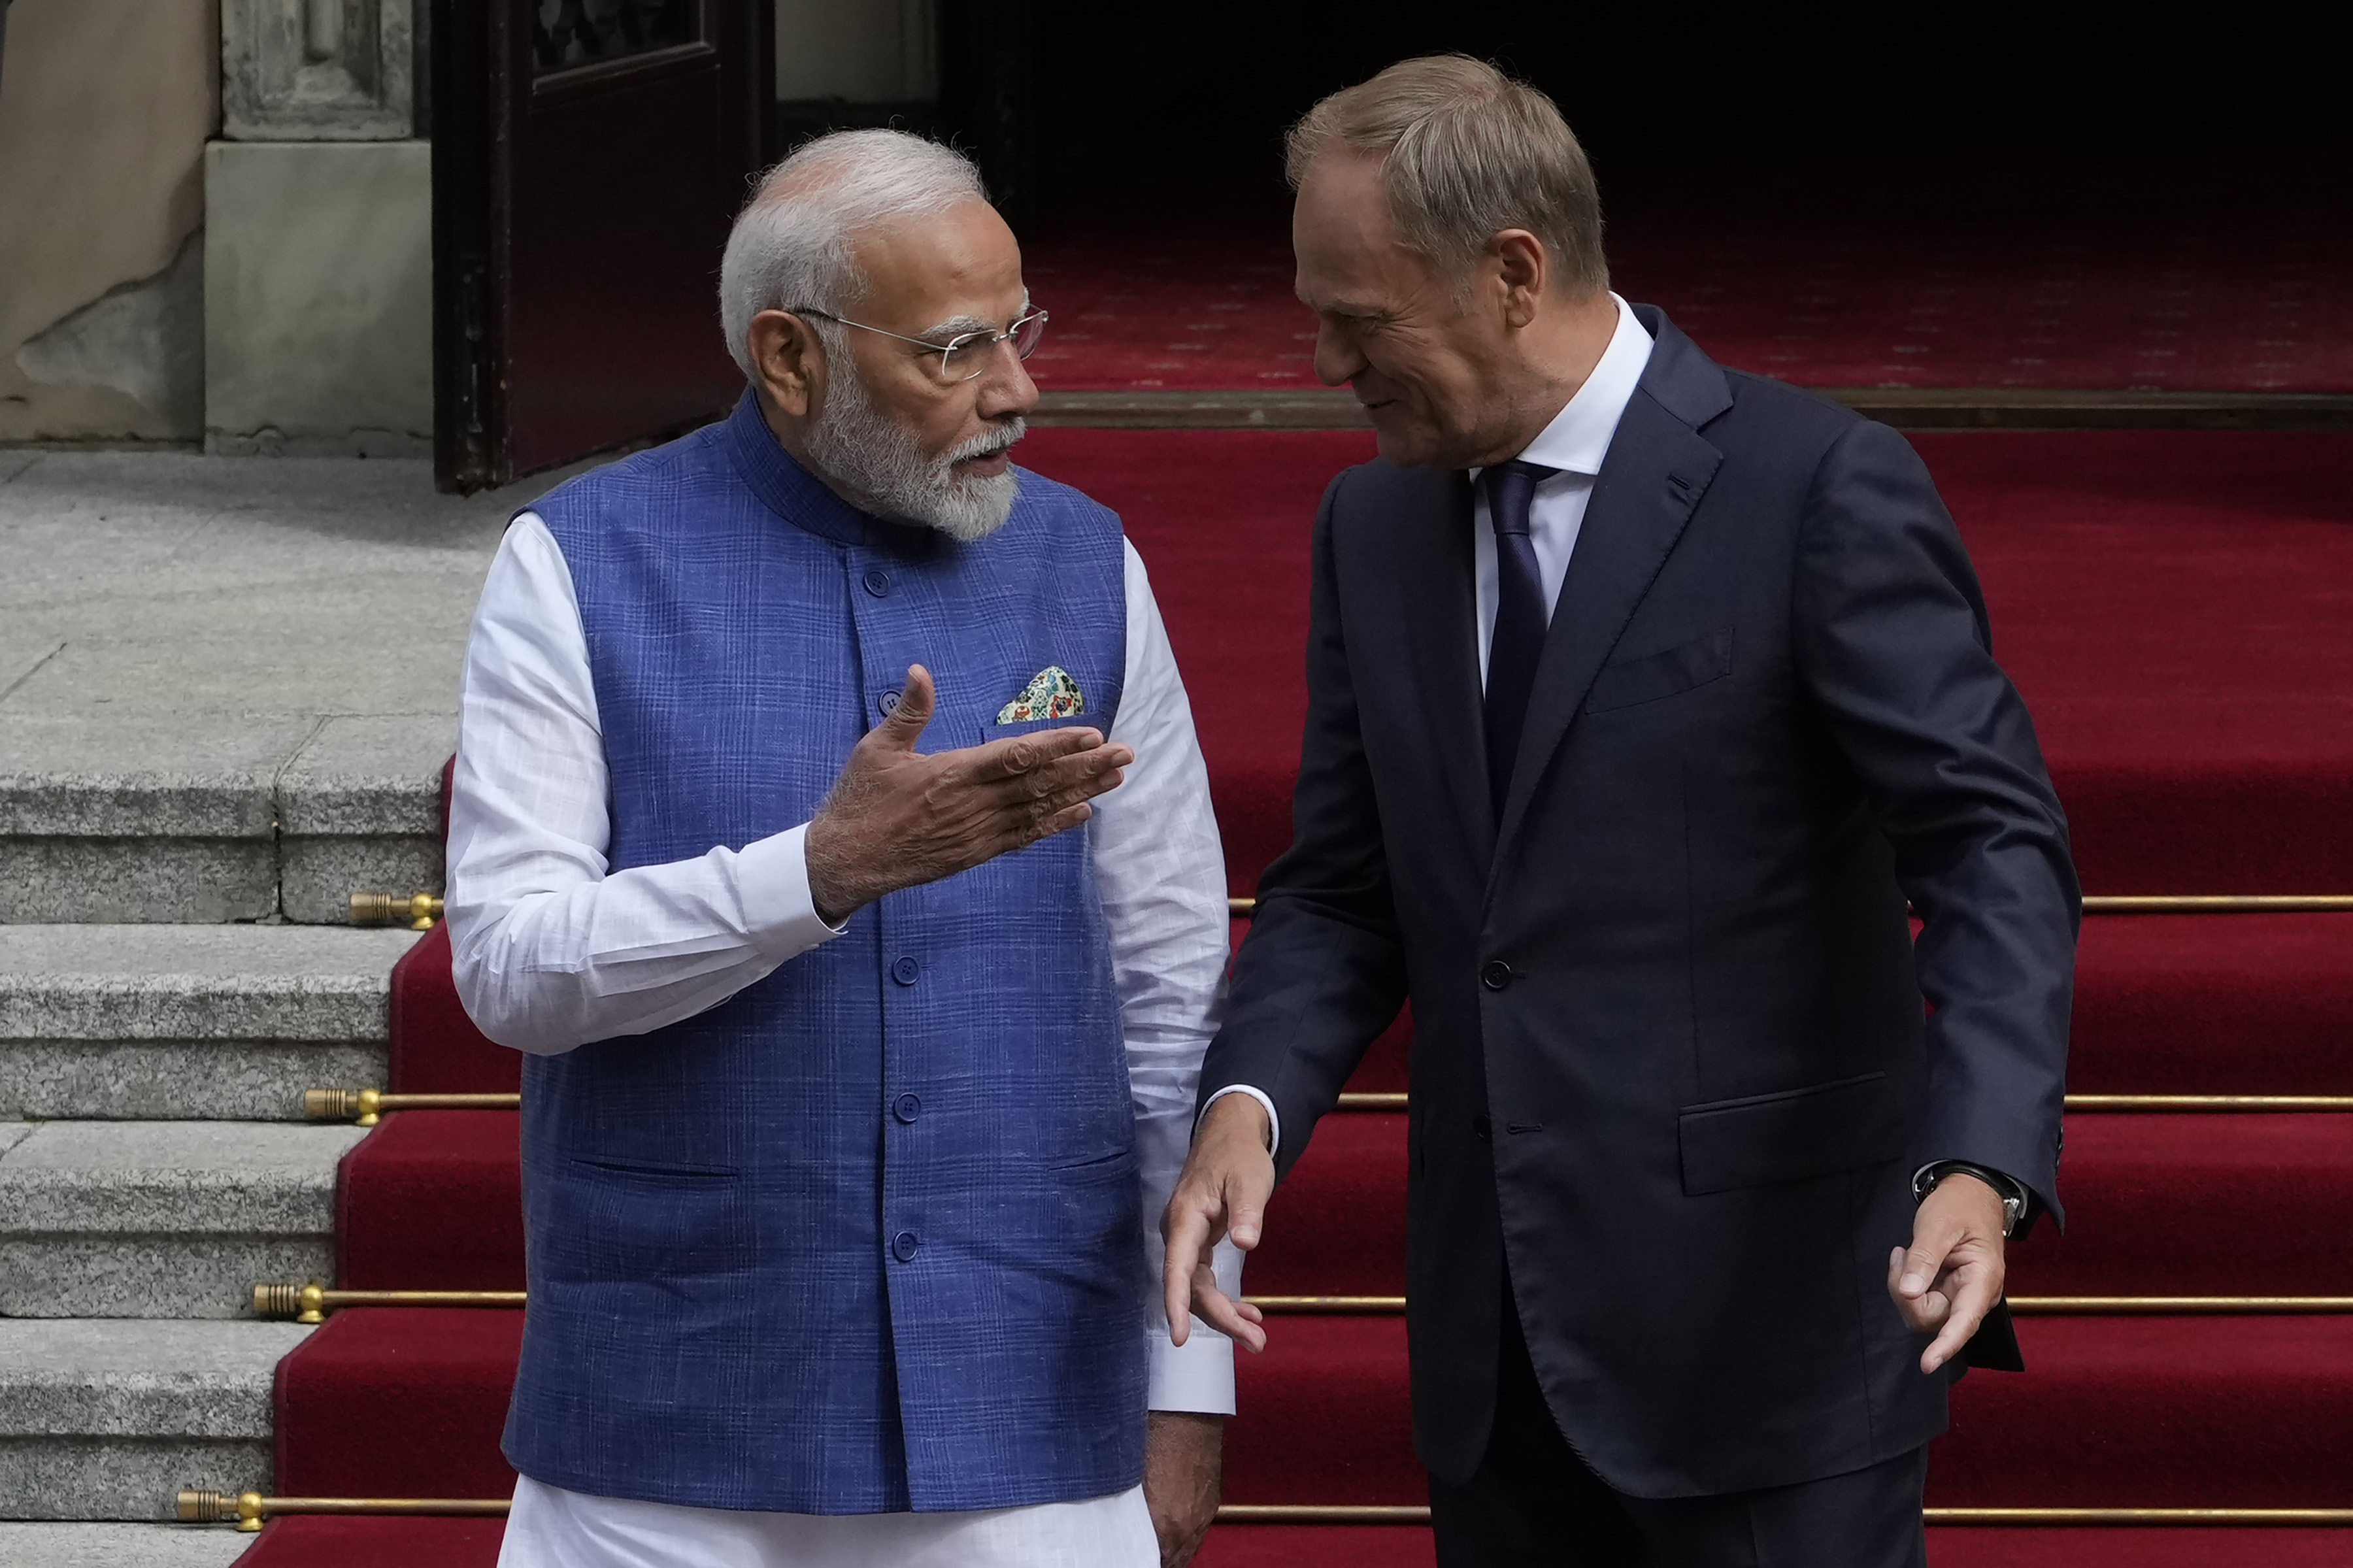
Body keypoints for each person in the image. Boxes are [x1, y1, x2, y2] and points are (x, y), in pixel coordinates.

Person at [1163, 56, 2077, 1567]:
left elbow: (1995, 847)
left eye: (1359, 317)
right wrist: (1248, 1105)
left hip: (1769, 1347)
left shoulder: (1814, 487)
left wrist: (1975, 1158)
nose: (1326, 360)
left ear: (1512, 272)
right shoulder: (1371, 520)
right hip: (1495, 1352)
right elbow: (1342, 884)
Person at [446, 128, 1236, 1568]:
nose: (1018, 390)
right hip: (668, 1423)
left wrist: (1188, 1380)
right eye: (953, 352)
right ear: (789, 358)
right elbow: (508, 970)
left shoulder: (1088, 562)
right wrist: (807, 878)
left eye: (1020, 331)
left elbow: (1172, 978)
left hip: (1029, 1408)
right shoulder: (577, 562)